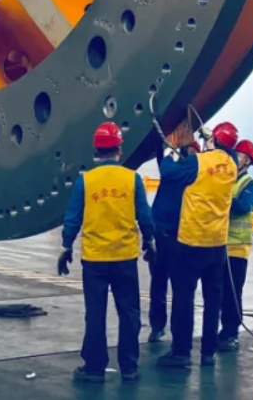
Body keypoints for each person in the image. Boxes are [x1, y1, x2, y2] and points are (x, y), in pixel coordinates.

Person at [59, 122, 156, 384]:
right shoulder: (132, 179)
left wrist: (66, 247)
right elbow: (145, 216)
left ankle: (94, 369)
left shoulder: (86, 180)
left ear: (96, 150)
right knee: (129, 313)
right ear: (119, 149)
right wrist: (150, 241)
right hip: (125, 258)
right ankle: (129, 367)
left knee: (95, 314)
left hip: (95, 260)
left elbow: (73, 218)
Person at [156, 121, 239, 369]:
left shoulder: (197, 163)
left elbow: (168, 172)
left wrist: (170, 149)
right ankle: (208, 353)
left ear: (212, 142)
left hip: (191, 243)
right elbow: (228, 152)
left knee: (184, 299)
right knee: (213, 302)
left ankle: (181, 352)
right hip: (217, 245)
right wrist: (209, 136)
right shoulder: (232, 165)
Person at [147, 140, 196, 343]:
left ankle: (168, 330)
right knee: (162, 285)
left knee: (169, 286)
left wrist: (168, 149)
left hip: (175, 238)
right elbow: (162, 160)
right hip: (165, 236)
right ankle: (160, 327)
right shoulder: (183, 171)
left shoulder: (183, 172)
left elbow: (165, 165)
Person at [219, 138, 253, 351]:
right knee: (218, 292)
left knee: (232, 292)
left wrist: (219, 194)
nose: (236, 158)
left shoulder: (250, 185)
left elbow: (242, 206)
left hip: (237, 247)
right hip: (218, 244)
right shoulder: (224, 178)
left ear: (248, 161)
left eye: (240, 156)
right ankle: (222, 331)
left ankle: (231, 333)